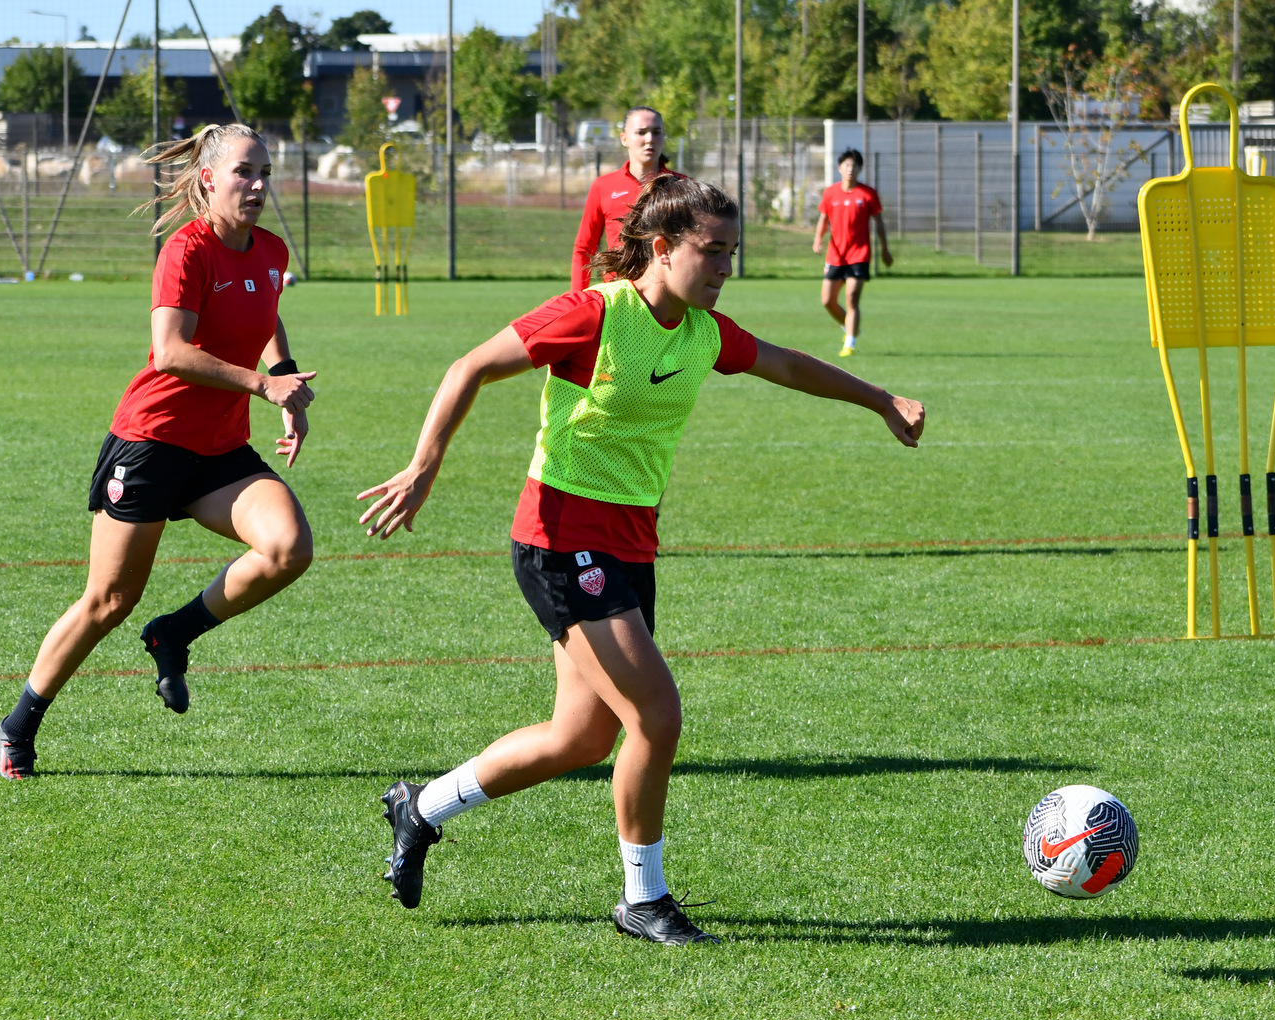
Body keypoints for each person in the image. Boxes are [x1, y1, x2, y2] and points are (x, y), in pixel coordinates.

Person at [359, 176, 925, 945]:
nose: (725, 267)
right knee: (657, 715)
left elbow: (790, 365)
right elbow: (471, 366)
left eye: (732, 252)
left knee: (581, 738)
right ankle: (643, 898)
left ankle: (420, 808)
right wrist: (423, 468)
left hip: (629, 544)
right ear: (661, 248)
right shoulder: (595, 313)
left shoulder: (703, 332)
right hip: (561, 537)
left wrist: (881, 399)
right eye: (712, 251)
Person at [0, 124, 317, 780]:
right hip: (151, 443)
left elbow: (265, 311)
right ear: (209, 179)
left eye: (265, 172)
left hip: (219, 450)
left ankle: (175, 633)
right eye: (244, 172)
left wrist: (285, 376)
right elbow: (170, 352)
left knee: (289, 548)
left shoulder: (272, 250)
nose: (258, 185)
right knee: (109, 601)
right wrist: (262, 385)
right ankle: (17, 724)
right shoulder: (186, 251)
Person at [570, 106, 685, 292]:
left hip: (666, 295)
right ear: (624, 138)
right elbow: (584, 248)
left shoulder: (682, 186)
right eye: (641, 132)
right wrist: (576, 297)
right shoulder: (603, 186)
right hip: (618, 293)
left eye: (656, 132)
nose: (650, 139)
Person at [813, 148, 893, 357]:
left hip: (859, 254)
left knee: (852, 298)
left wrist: (885, 250)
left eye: (855, 165)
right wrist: (818, 240)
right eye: (847, 165)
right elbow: (823, 219)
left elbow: (879, 223)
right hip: (835, 255)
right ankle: (850, 327)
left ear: (860, 169)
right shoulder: (830, 193)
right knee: (827, 301)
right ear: (840, 168)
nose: (851, 169)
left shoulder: (868, 194)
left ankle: (849, 343)